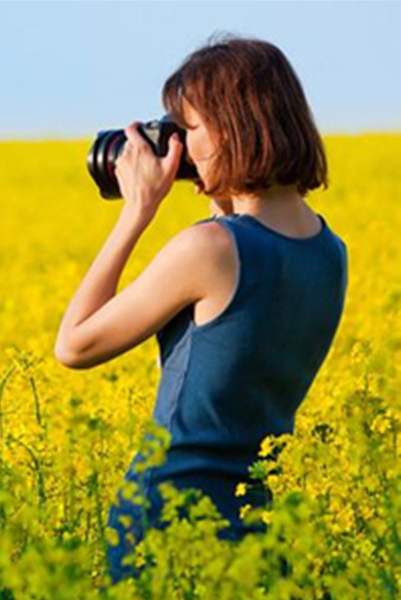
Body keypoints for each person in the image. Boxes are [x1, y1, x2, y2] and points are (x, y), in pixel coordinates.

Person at [54, 32, 348, 585]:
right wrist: (219, 185)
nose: (178, 148)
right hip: (258, 528)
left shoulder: (208, 251)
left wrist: (136, 212)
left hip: (167, 521)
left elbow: (74, 345)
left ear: (233, 127)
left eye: (187, 129)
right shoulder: (331, 253)